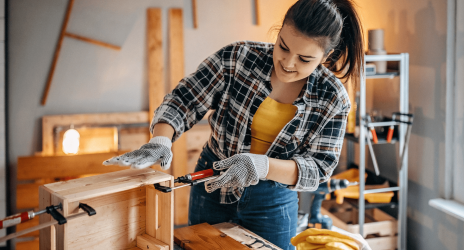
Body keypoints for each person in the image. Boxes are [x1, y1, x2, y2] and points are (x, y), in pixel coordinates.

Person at [103, 0, 363, 249]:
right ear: (279, 31)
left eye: (305, 59)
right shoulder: (238, 57)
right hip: (213, 181)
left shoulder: (333, 97)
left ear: (326, 55)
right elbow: (185, 99)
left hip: (273, 198)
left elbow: (319, 168)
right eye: (283, 46)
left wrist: (261, 165)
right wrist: (160, 138)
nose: (288, 62)